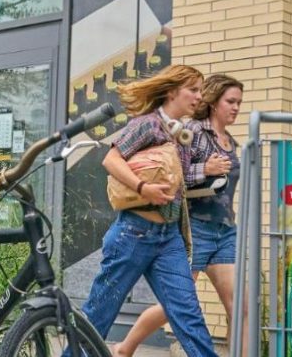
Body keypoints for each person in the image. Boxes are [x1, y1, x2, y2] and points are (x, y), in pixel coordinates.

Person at [80, 64, 218, 357]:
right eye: (193, 89)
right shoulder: (148, 124)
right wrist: (143, 188)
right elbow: (111, 159)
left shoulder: (180, 134)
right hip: (133, 233)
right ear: (171, 91)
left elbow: (177, 181)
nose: (198, 96)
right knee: (98, 316)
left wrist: (207, 171)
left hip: (168, 240)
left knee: (188, 315)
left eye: (200, 90)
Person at [115, 74, 247, 357]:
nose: (236, 108)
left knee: (240, 307)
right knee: (175, 304)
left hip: (224, 229)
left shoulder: (231, 142)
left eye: (239, 103)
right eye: (230, 101)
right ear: (214, 102)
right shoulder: (193, 132)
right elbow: (173, 176)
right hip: (195, 227)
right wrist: (205, 170)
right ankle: (125, 348)